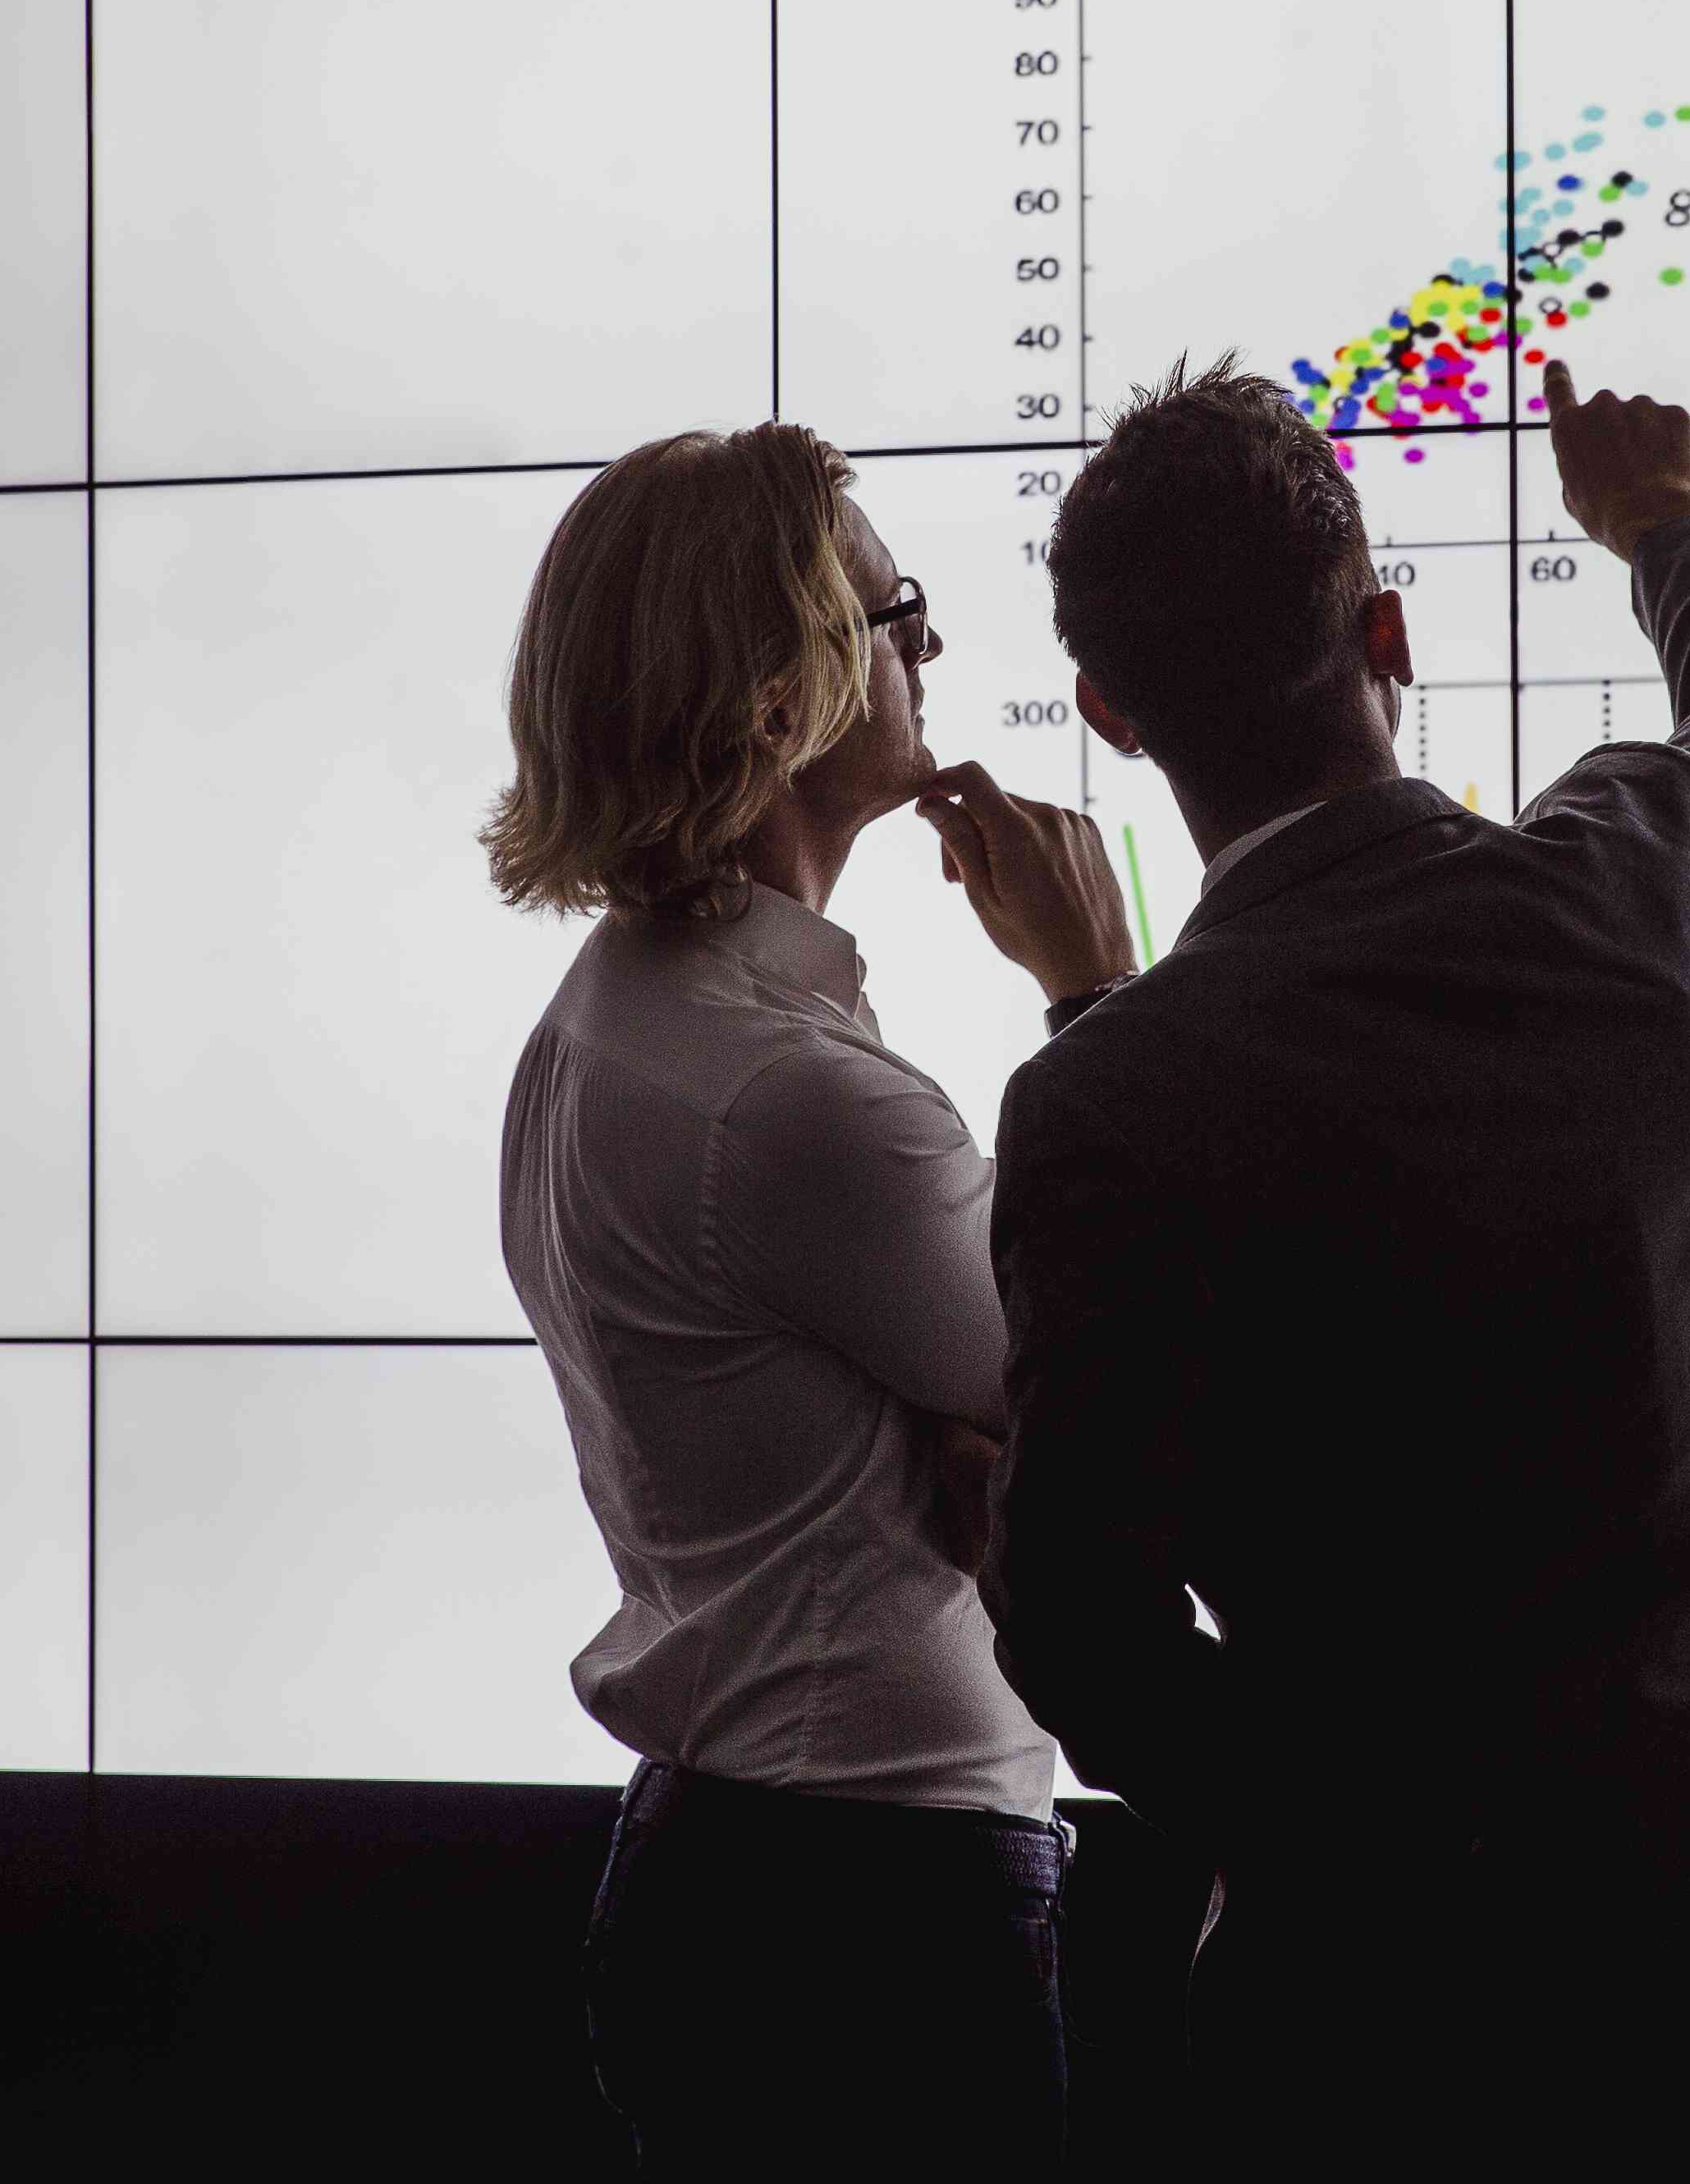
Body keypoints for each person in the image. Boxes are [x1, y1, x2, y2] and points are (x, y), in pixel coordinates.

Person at [979, 359, 1690, 2168]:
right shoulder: (1658, 885)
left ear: (1107, 716)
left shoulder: (1106, 1097)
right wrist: (1656, 522)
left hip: (1376, 2025)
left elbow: (1072, 1620)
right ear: (1386, 632)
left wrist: (1344, 1838)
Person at [484, 423, 1137, 2172]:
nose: (925, 647)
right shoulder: (790, 1100)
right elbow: (1137, 1405)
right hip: (870, 1912)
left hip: (747, 1870)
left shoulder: (609, 1025)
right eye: (889, 612)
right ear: (778, 696)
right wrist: (1099, 995)